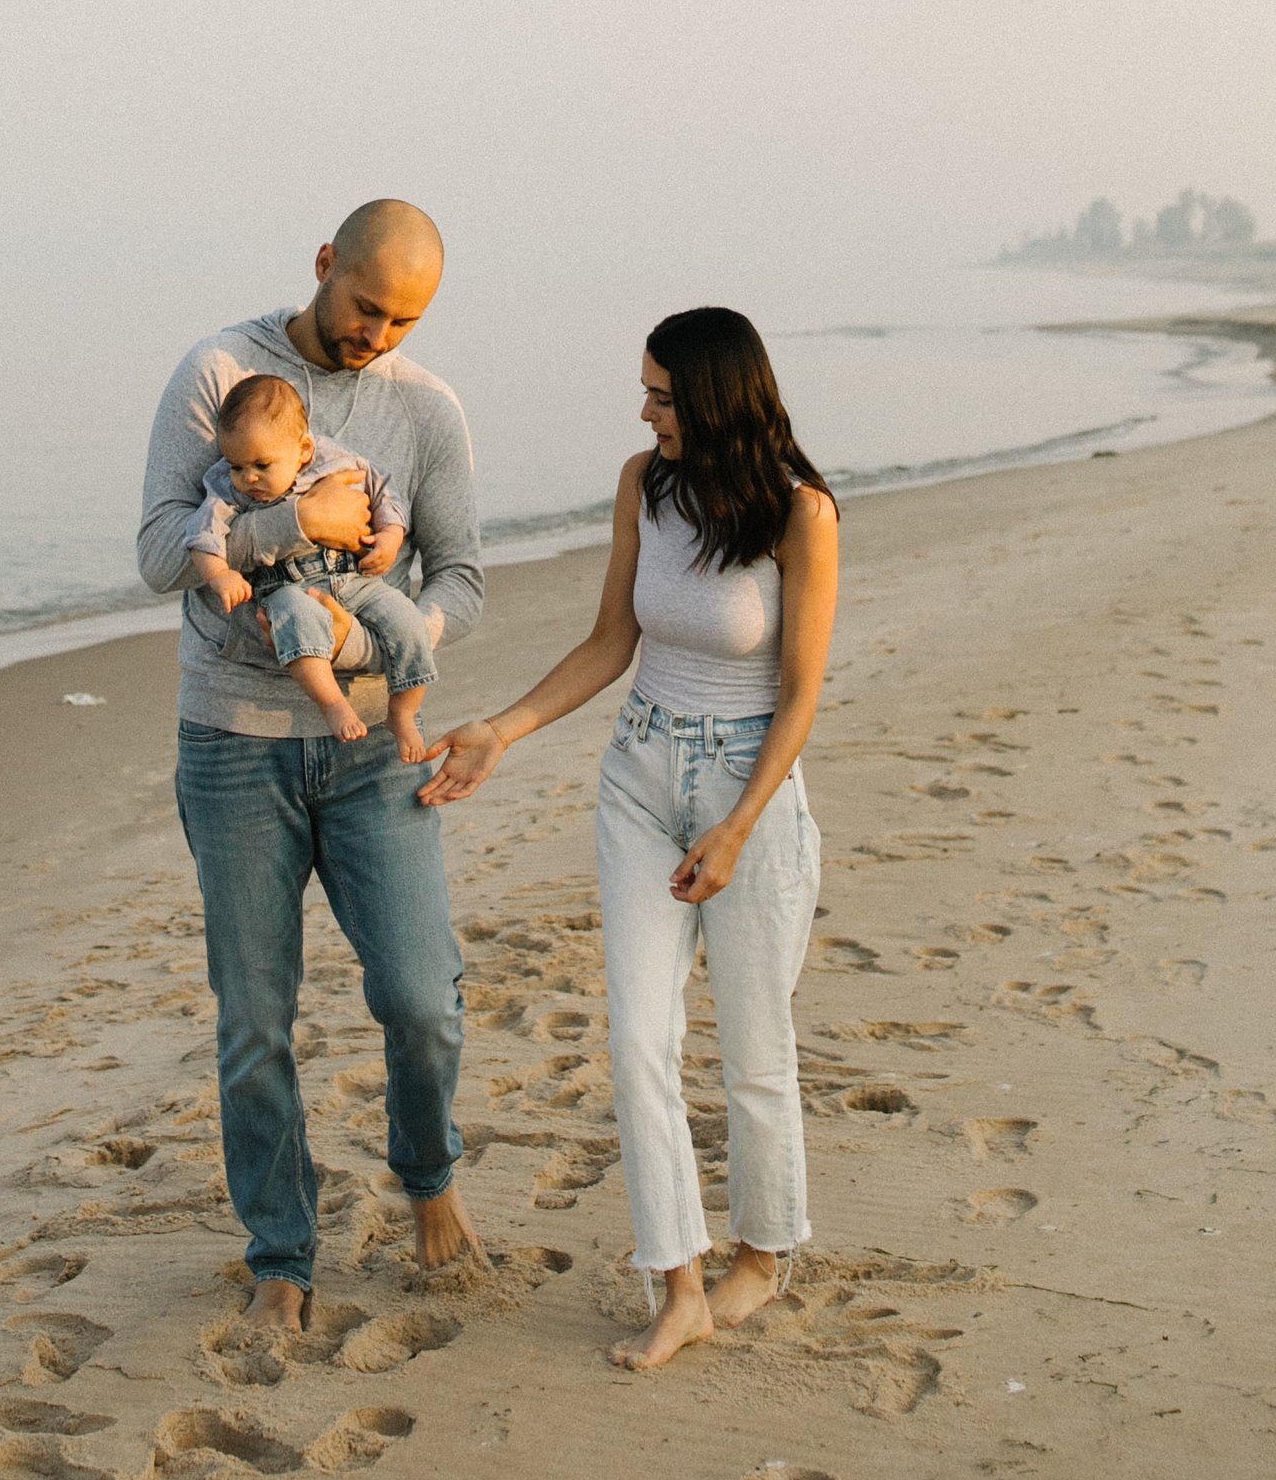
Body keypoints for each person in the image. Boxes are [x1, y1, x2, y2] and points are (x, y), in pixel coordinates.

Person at [420, 304, 839, 1371]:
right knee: (638, 1042)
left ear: (713, 402)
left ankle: (759, 1254)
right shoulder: (642, 486)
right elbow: (612, 639)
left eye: (662, 397)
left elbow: (798, 697)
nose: (645, 411)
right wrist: (502, 732)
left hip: (750, 786)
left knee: (754, 1051)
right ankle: (680, 1286)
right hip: (641, 775)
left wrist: (740, 827)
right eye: (645, 393)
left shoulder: (801, 514)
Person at [138, 201, 484, 1335]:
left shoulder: (427, 412)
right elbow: (156, 557)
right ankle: (280, 1252)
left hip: (374, 747)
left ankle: (427, 1179)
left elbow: (462, 580)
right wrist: (285, 521)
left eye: (403, 319)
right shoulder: (220, 371)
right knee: (253, 1021)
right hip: (233, 748)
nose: (377, 335)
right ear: (323, 265)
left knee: (421, 1001)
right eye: (363, 307)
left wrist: (376, 640)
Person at [187, 374, 439, 757]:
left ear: (303, 450)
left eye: (261, 464)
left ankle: (403, 711)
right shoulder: (227, 487)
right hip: (285, 587)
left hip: (355, 579)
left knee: (407, 620)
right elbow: (203, 535)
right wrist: (219, 573)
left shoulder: (334, 460)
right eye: (237, 466)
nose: (248, 478)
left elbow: (383, 491)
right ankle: (333, 703)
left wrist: (390, 536)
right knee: (296, 620)